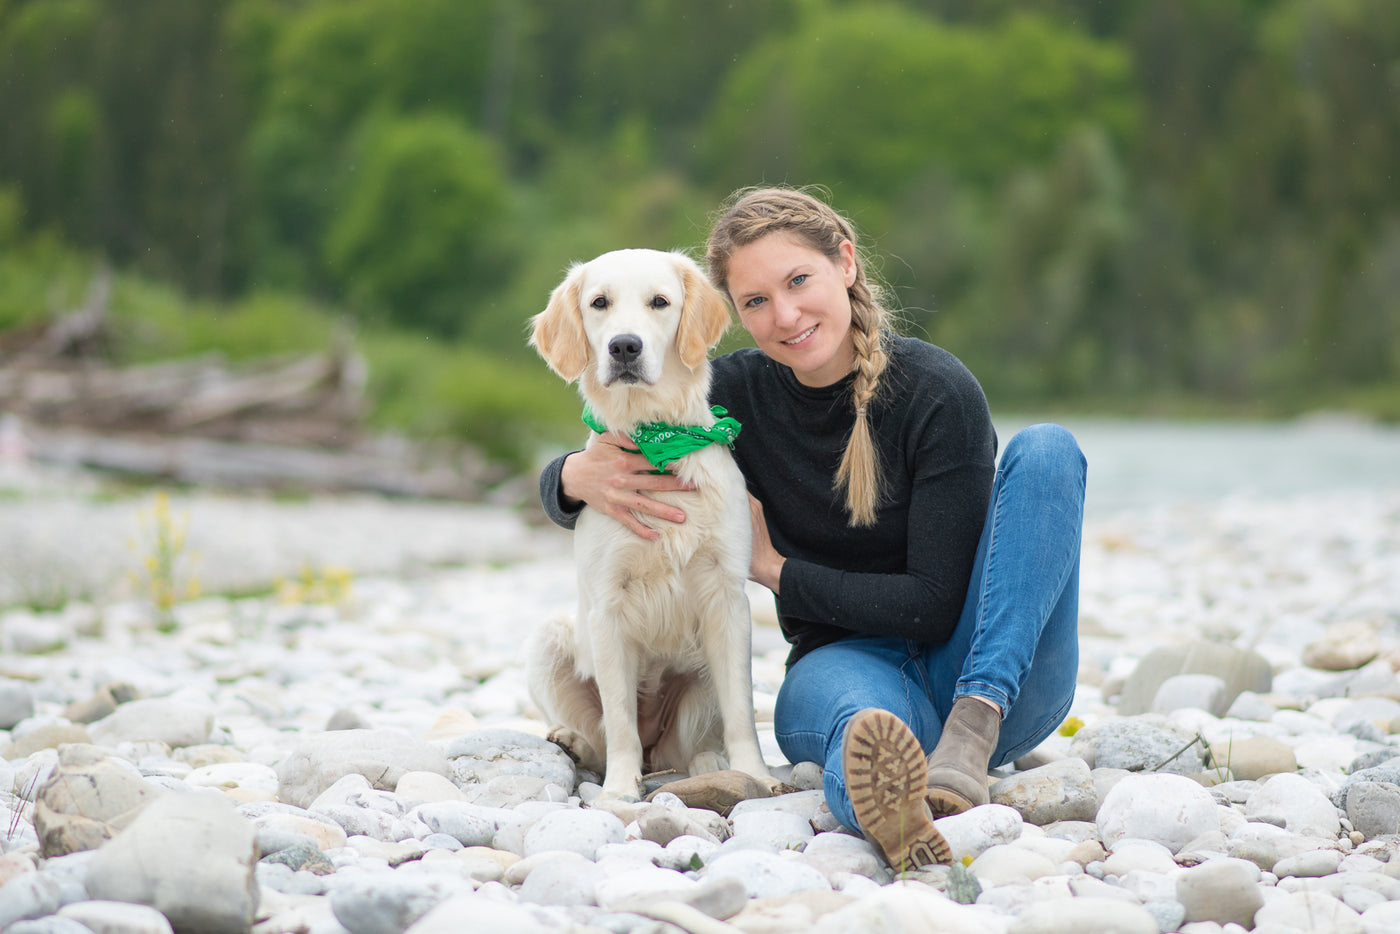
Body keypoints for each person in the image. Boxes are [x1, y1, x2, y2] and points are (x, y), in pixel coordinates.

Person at [538, 186, 1086, 872]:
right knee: (859, 732)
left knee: (1048, 450)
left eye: (798, 281)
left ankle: (969, 739)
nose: (785, 315)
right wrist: (568, 476)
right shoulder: (725, 394)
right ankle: (901, 810)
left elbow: (935, 604)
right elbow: (632, 420)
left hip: (987, 675)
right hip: (845, 671)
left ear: (846, 264)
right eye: (756, 301)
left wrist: (774, 570)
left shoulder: (936, 392)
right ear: (733, 315)